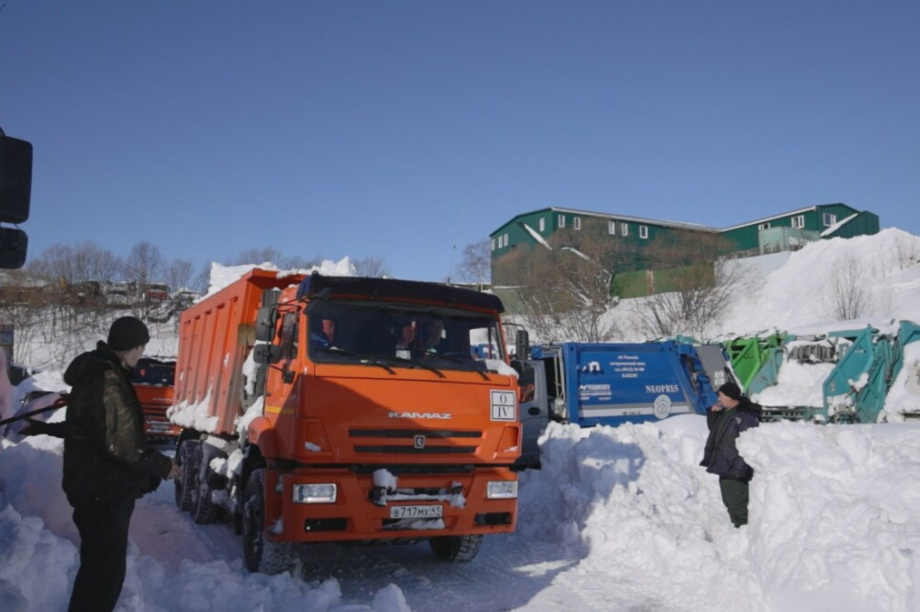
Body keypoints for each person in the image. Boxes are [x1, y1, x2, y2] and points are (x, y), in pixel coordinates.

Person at [58, 316, 179, 612]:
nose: (141, 353)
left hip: (96, 489)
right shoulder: (108, 381)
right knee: (103, 578)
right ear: (134, 347)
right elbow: (123, 445)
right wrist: (165, 467)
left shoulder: (98, 373)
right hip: (103, 493)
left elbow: (88, 429)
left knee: (98, 573)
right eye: (141, 347)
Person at [699, 381, 761, 528]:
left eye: (721, 395)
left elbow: (749, 445)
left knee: (738, 506)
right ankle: (738, 531)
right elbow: (717, 432)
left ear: (730, 397)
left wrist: (740, 469)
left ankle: (744, 532)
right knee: (730, 503)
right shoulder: (727, 413)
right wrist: (713, 414)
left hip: (735, 470)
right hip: (725, 467)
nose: (719, 398)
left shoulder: (744, 416)